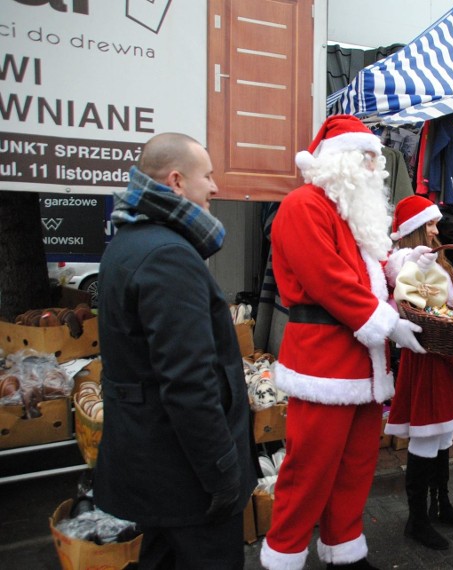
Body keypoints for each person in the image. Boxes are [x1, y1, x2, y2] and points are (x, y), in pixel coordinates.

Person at [260, 115, 426, 570]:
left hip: (362, 365)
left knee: (354, 468)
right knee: (307, 472)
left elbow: (369, 269)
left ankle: (344, 551)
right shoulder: (303, 205)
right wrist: (388, 325)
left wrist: (402, 265)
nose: (379, 168)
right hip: (323, 364)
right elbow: (329, 281)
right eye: (370, 158)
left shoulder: (352, 214)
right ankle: (284, 557)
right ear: (345, 161)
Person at [95, 133, 256, 569]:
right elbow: (188, 384)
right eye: (207, 175)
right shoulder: (169, 255)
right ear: (177, 182)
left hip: (156, 466)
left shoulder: (130, 241)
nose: (215, 187)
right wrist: (223, 473)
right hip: (185, 478)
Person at [382, 195, 453, 551]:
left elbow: (444, 305)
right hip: (424, 359)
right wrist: (418, 266)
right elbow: (405, 290)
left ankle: (441, 505)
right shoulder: (405, 260)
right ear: (413, 230)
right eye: (430, 224)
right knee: (425, 437)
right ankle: (416, 519)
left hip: (445, 357)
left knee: (443, 437)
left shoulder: (436, 259)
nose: (436, 230)